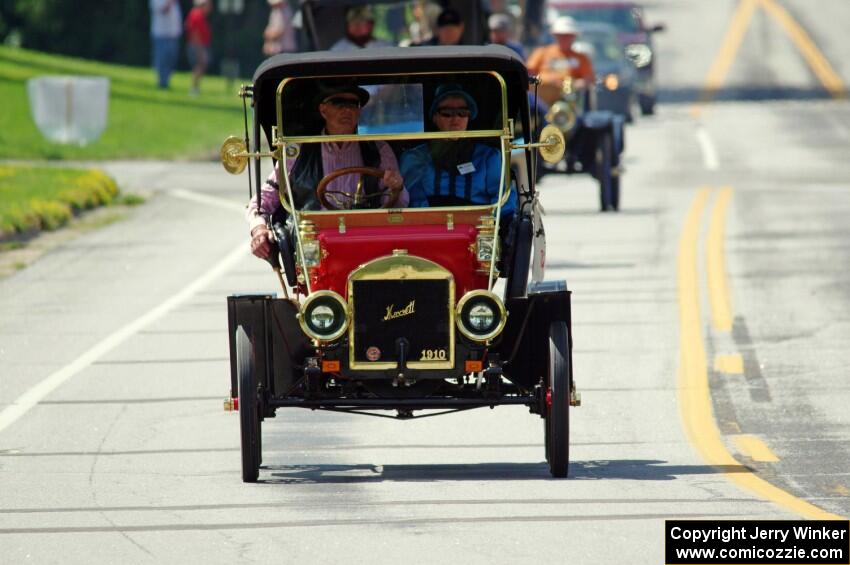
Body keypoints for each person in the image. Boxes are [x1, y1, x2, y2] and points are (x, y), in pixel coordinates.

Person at [248, 83, 409, 259]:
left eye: (353, 105)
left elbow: (396, 204)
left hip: (366, 239)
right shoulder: (297, 152)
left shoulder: (378, 150)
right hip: (314, 243)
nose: (346, 110)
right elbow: (263, 199)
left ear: (359, 111)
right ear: (323, 110)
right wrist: (259, 229)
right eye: (339, 103)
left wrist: (396, 188)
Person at [399, 84, 516, 216]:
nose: (456, 119)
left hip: (480, 228)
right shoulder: (415, 157)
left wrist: (485, 221)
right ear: (434, 117)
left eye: (462, 112)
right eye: (447, 113)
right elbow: (412, 200)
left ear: (469, 117)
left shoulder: (488, 156)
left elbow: (505, 198)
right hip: (431, 228)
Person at [526, 16, 595, 104]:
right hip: (541, 100)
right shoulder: (542, 53)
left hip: (568, 100)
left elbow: (588, 79)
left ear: (574, 36)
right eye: (561, 35)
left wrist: (572, 85)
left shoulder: (581, 58)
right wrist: (546, 81)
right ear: (555, 36)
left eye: (568, 35)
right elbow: (528, 74)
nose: (564, 38)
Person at [149, 0, 182, 89]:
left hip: (173, 34)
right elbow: (163, 10)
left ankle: (166, 80)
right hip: (161, 34)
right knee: (161, 60)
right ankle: (161, 82)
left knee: (170, 60)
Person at [184, 0, 213, 96]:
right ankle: (194, 88)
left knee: (200, 66)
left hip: (199, 45)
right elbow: (194, 33)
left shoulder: (198, 14)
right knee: (199, 66)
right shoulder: (196, 15)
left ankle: (195, 87)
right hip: (197, 46)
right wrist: (199, 49)